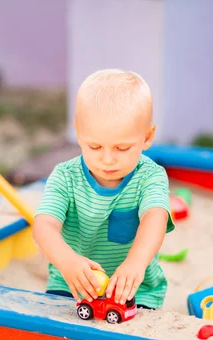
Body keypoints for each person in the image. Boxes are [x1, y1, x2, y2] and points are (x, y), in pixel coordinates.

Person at [32, 68, 175, 310]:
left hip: (135, 288)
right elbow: (43, 226)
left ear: (147, 137)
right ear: (78, 133)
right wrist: (67, 262)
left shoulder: (150, 176)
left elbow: (155, 218)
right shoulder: (65, 177)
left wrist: (135, 263)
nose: (107, 160)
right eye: (95, 146)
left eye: (122, 148)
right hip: (72, 283)